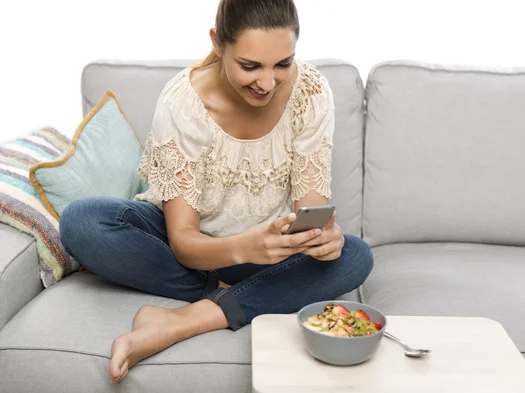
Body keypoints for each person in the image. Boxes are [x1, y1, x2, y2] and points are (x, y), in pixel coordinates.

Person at [59, 0, 373, 384]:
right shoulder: (182, 102)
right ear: (218, 43)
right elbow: (183, 242)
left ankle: (182, 320)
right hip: (195, 251)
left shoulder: (310, 92)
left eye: (282, 63)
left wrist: (323, 240)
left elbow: (308, 215)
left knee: (354, 257)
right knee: (83, 221)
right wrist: (242, 247)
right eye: (250, 66)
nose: (268, 83)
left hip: (268, 252)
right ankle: (247, 297)